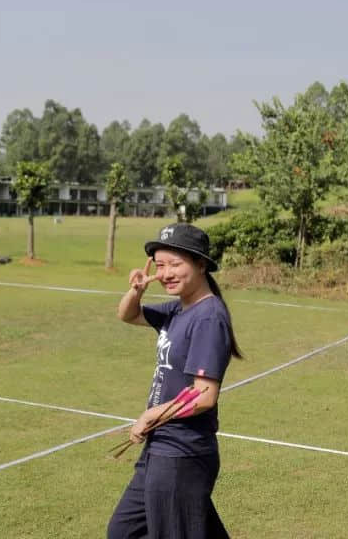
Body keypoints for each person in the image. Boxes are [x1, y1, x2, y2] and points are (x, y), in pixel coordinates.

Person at [107, 223, 244, 539]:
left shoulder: (208, 317)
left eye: (175, 264)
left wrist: (151, 414)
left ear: (201, 264)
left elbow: (204, 395)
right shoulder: (178, 310)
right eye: (160, 266)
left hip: (182, 453)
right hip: (161, 448)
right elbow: (128, 315)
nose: (166, 273)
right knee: (124, 531)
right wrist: (137, 290)